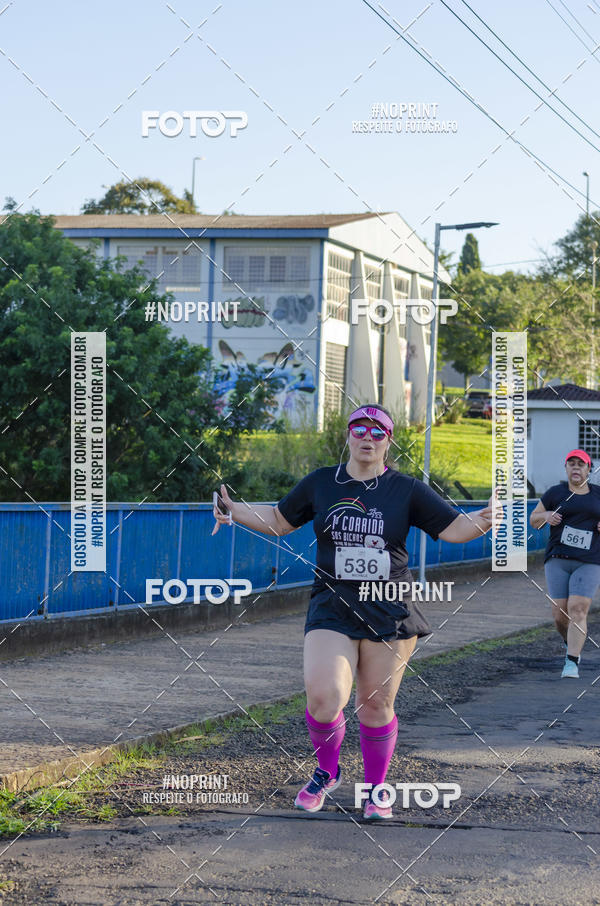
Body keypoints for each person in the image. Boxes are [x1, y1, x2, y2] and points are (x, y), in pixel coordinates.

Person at [212, 403, 494, 819]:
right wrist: (234, 511)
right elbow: (278, 519)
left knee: (375, 703)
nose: (368, 437)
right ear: (348, 435)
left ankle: (377, 787)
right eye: (359, 429)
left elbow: (453, 529)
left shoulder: (406, 489)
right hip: (333, 604)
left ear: (388, 441)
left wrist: (485, 519)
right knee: (325, 696)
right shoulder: (322, 483)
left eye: (378, 431)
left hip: (389, 610)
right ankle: (327, 771)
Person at [529, 449, 600, 679]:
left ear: (589, 469)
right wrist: (546, 515)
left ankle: (572, 662)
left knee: (578, 608)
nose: (576, 467)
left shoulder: (598, 495)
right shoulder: (555, 493)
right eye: (572, 464)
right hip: (558, 559)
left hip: (589, 560)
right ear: (566, 468)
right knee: (560, 614)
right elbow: (534, 520)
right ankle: (569, 642)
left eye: (581, 464)